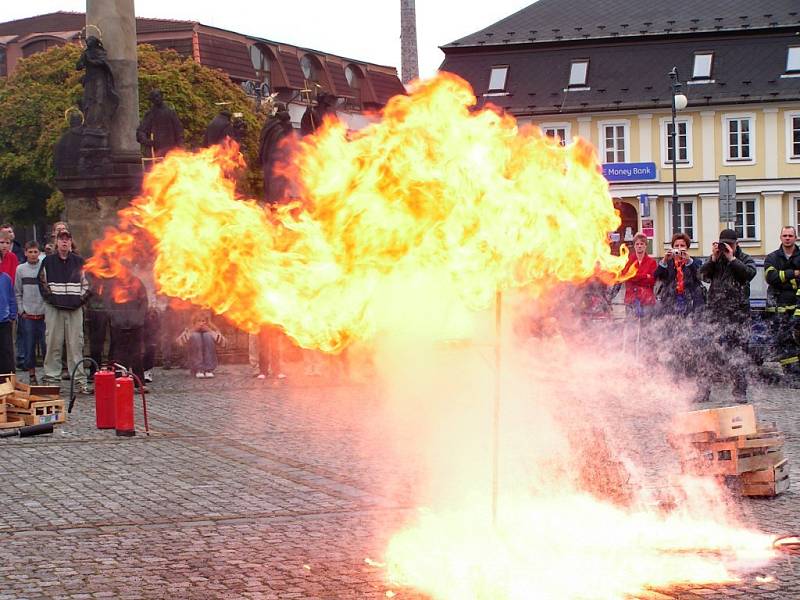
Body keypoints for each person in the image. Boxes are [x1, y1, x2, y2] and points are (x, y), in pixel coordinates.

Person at [697, 229, 757, 403]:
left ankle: (739, 391)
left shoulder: (744, 259)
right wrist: (713, 259)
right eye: (724, 243)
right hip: (716, 314)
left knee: (739, 354)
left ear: (737, 244)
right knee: (708, 353)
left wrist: (732, 259)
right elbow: (701, 275)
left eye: (730, 244)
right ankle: (703, 391)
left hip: (738, 314)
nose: (727, 247)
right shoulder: (716, 260)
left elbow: (748, 275)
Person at [38, 230, 90, 392]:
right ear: (57, 242)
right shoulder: (48, 261)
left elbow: (89, 285)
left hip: (75, 309)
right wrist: (53, 300)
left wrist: (79, 301)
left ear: (71, 242)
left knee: (76, 345)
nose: (64, 242)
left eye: (67, 239)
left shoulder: (80, 262)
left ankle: (80, 381)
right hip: (54, 309)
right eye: (61, 239)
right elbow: (41, 283)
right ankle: (52, 380)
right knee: (53, 343)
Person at [763, 225, 800, 380]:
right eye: (784, 235)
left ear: (795, 237)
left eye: (790, 235)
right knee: (783, 341)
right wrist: (794, 273)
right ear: (780, 237)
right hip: (777, 307)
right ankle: (792, 375)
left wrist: (781, 276)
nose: (787, 238)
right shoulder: (772, 257)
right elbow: (771, 278)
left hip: (797, 306)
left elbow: (777, 278)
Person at [104, 274, 148, 391]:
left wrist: (139, 318)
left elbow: (144, 302)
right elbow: (107, 304)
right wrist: (115, 318)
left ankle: (140, 384)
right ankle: (119, 382)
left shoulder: (137, 282)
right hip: (118, 325)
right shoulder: (112, 284)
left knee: (136, 354)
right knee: (118, 355)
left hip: (135, 324)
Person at [15, 241, 46, 384]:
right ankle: (32, 375)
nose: (33, 254)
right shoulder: (20, 269)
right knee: (29, 347)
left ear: (39, 253)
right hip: (28, 314)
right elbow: (17, 292)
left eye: (35, 252)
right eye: (30, 252)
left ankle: (47, 374)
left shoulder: (44, 267)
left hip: (43, 313)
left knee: (47, 346)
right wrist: (21, 310)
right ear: (25, 253)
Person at [654, 233, 705, 317]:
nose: (679, 248)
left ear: (687, 247)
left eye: (682, 245)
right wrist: (664, 260)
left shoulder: (694, 261)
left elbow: (700, 276)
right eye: (676, 246)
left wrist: (688, 260)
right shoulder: (668, 263)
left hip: (690, 301)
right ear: (672, 248)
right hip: (671, 301)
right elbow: (657, 276)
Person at [76, 36, 119, 131]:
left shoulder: (100, 52)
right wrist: (82, 63)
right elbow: (78, 66)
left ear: (95, 42)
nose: (88, 42)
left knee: (100, 100)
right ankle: (88, 122)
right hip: (89, 79)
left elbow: (102, 62)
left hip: (100, 78)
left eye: (90, 41)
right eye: (87, 41)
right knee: (88, 100)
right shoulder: (86, 53)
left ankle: (99, 122)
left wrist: (90, 61)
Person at [136, 89, 184, 158]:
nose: (156, 99)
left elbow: (179, 131)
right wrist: (147, 141)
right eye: (154, 98)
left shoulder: (170, 113)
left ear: (162, 96)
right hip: (156, 151)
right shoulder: (150, 114)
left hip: (170, 152)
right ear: (151, 100)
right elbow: (141, 131)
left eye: (157, 96)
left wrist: (179, 146)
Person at [620, 233, 657, 319]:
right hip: (631, 298)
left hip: (647, 299)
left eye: (642, 244)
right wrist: (645, 276)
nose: (639, 246)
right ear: (634, 246)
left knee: (646, 328)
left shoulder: (652, 262)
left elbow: (652, 280)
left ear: (645, 246)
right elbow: (626, 276)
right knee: (631, 327)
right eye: (637, 244)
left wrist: (634, 276)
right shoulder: (628, 261)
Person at [179, 310, 224, 379]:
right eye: (199, 321)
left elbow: (223, 343)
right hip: (195, 357)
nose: (201, 324)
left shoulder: (211, 328)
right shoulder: (190, 328)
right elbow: (180, 342)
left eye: (203, 321)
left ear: (207, 322)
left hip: (209, 354)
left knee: (207, 335)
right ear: (195, 322)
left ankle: (208, 370)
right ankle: (198, 369)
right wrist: (192, 331)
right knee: (195, 336)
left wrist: (210, 331)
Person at [0, 270, 17, 374]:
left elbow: (11, 297)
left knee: (6, 351)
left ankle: (8, 380)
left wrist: (12, 314)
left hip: (4, 320)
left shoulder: (6, 278)